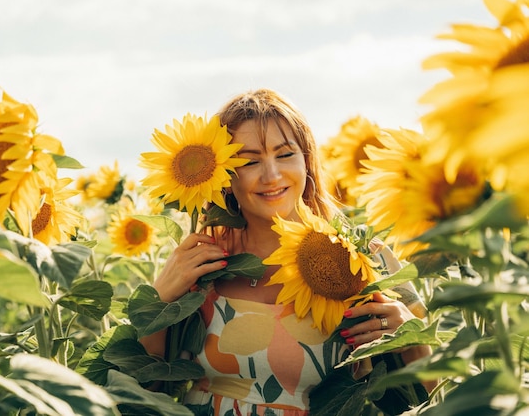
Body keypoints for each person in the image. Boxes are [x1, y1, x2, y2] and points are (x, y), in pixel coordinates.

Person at [140, 88, 433, 415]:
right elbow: (145, 390)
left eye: (284, 154)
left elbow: (440, 394)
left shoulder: (363, 257)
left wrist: (413, 340)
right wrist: (158, 304)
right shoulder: (200, 265)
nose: (272, 175)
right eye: (250, 161)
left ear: (306, 159)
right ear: (223, 175)